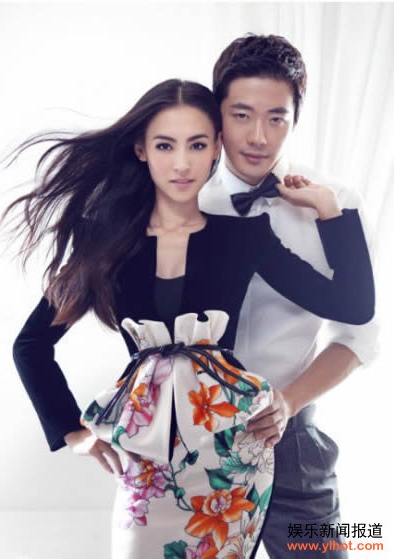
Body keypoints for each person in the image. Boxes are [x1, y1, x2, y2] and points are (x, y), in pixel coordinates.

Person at [7, 79, 374, 559]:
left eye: (197, 145)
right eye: (165, 146)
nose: (182, 163)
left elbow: (353, 308)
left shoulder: (243, 237)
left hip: (237, 461)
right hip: (147, 470)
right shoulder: (105, 240)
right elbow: (31, 345)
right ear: (141, 150)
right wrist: (72, 432)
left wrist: (329, 210)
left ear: (216, 147)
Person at [199, 34, 379, 558]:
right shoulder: (184, 197)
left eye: (276, 118)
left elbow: (360, 336)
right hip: (195, 440)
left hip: (294, 446)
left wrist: (288, 402)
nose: (258, 137)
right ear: (218, 116)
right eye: (242, 115)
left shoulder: (337, 203)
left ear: (295, 119)